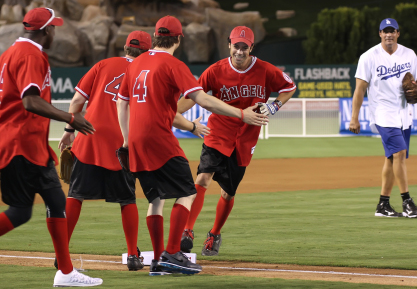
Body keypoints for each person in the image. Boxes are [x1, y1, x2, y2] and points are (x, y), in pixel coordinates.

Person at [117, 16, 267, 275]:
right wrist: (242, 114)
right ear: (178, 39)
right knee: (187, 191)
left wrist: (126, 139)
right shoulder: (173, 64)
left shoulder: (136, 63)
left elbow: (122, 102)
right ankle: (173, 253)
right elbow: (203, 100)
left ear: (155, 36)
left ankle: (158, 260)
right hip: (159, 138)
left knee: (155, 199)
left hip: (136, 140)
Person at [57, 30, 210, 272]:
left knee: (76, 195)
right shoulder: (144, 69)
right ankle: (132, 255)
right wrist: (192, 126)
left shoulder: (103, 64)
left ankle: (61, 253)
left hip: (90, 139)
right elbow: (164, 113)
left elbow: (76, 101)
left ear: (126, 47)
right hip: (125, 143)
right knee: (127, 199)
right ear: (150, 48)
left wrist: (69, 128)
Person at [0, 7, 102, 287]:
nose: (55, 32)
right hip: (19, 144)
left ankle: (66, 273)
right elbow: (30, 101)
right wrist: (71, 118)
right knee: (20, 211)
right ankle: (66, 273)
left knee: (57, 202)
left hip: (30, 144)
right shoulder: (30, 54)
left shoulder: (13, 52)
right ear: (46, 30)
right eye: (53, 28)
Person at [176, 26, 297, 256]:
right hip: (218, 132)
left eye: (244, 47)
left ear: (251, 48)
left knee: (228, 192)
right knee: (202, 178)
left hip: (245, 139)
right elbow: (193, 95)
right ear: (229, 45)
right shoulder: (215, 71)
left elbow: (289, 87)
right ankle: (187, 230)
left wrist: (274, 105)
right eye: (236, 46)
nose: (239, 51)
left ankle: (214, 234)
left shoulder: (265, 70)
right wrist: (171, 114)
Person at [349, 18, 417, 218]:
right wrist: (354, 118)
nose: (389, 34)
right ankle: (407, 201)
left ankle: (383, 205)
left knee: (392, 158)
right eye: (385, 31)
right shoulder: (369, 57)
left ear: (398, 33)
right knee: (399, 153)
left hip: (404, 113)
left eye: (393, 31)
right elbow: (359, 90)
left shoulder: (409, 54)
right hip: (383, 113)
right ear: (380, 34)